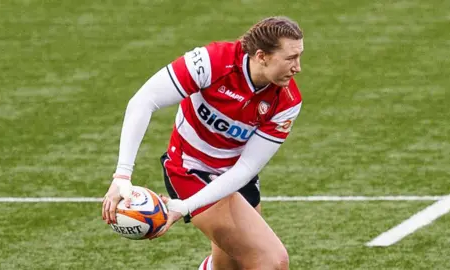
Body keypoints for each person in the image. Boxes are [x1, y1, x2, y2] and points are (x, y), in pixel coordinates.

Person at [102, 16, 304, 270]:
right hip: (190, 170)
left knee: (231, 265)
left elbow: (246, 168)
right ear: (262, 56)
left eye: (299, 56)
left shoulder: (287, 101)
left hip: (236, 177)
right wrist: (122, 174)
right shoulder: (211, 62)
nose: (298, 67)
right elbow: (143, 101)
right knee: (271, 261)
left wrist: (185, 207)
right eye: (290, 58)